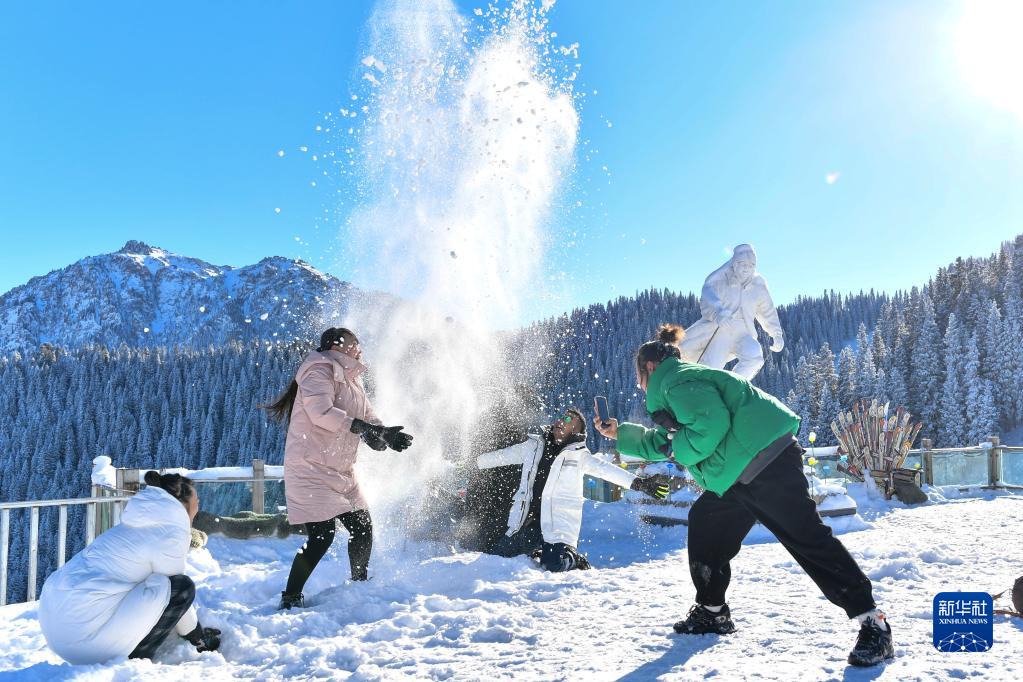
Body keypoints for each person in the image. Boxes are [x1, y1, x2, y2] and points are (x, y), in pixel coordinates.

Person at [593, 324, 894, 667]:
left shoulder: (674, 381)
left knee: (807, 538)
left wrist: (679, 450)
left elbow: (710, 425)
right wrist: (623, 435)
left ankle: (873, 624)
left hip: (766, 463)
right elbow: (670, 441)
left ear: (648, 367)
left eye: (638, 375)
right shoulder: (679, 383)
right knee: (706, 524)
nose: (639, 384)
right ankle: (712, 611)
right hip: (738, 474)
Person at [263, 327, 413, 609]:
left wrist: (383, 435)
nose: (359, 349)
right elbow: (322, 413)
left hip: (342, 469)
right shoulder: (318, 371)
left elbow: (366, 415)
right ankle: (291, 597)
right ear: (338, 346)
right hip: (311, 469)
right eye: (355, 344)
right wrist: (364, 429)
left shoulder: (352, 379)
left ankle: (360, 585)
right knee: (322, 537)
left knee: (363, 526)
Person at [38, 472, 221, 664]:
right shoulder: (170, 533)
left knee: (153, 583)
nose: (198, 506)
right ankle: (138, 659)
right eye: (196, 501)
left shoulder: (135, 524)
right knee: (182, 587)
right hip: (87, 644)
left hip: (58, 629)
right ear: (183, 505)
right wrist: (196, 635)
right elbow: (174, 593)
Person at [476, 408, 668, 571]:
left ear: (576, 430)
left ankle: (574, 558)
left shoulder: (579, 457)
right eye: (560, 417)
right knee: (492, 562)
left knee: (554, 566)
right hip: (525, 523)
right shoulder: (534, 446)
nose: (560, 421)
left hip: (556, 528)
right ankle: (536, 551)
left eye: (568, 419)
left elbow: (607, 470)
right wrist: (474, 462)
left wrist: (639, 483)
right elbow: (502, 456)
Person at [679, 244, 783, 380]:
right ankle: (699, 391)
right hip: (722, 331)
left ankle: (732, 385)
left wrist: (776, 334)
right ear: (734, 264)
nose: (746, 268)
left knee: (755, 357)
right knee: (711, 367)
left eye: (750, 265)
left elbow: (767, 311)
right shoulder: (721, 282)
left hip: (744, 333)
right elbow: (708, 299)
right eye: (742, 264)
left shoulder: (758, 287)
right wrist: (718, 315)